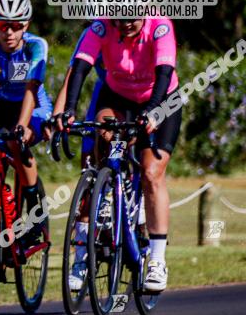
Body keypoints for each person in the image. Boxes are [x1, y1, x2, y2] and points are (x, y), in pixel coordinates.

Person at [57, 18, 180, 292]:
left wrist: (153, 111)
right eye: (118, 18)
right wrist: (70, 110)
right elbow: (80, 67)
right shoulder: (101, 27)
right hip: (118, 96)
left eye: (131, 19)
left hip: (160, 97)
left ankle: (158, 261)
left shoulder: (160, 27)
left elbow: (164, 71)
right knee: (104, 133)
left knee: (151, 173)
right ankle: (107, 189)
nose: (124, 24)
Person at [0, 0, 52, 261]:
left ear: (25, 26)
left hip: (33, 105)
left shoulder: (35, 46)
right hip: (1, 106)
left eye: (16, 26)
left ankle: (34, 214)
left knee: (18, 142)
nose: (9, 32)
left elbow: (32, 87)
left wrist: (22, 125)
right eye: (3, 25)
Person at [48, 24, 106, 292]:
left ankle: (132, 202)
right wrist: (60, 114)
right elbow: (74, 73)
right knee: (88, 169)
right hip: (105, 97)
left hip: (138, 96)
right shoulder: (95, 32)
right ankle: (80, 260)